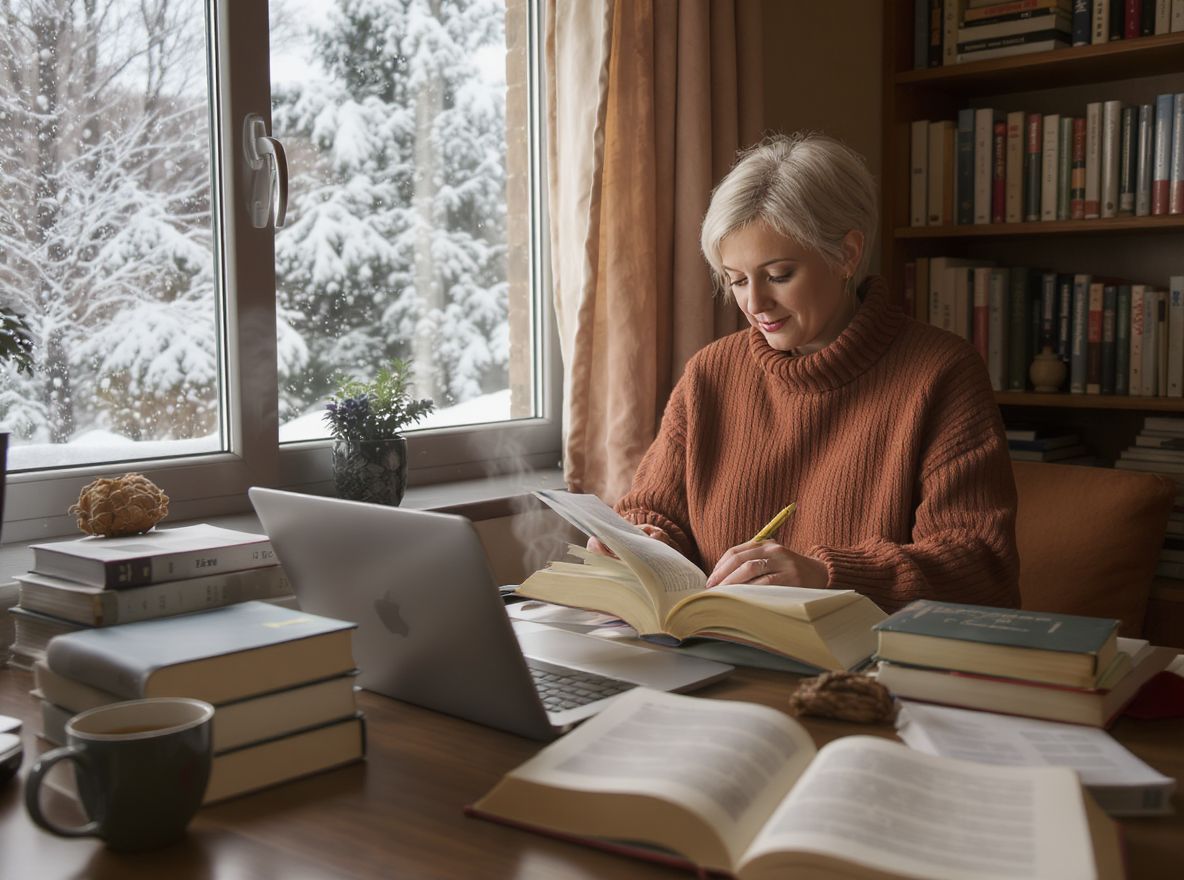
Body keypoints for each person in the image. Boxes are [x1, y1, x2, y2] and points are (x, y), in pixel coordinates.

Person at [605, 132, 1019, 613]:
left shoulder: (940, 372)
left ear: (847, 254)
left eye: (779, 275)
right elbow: (656, 510)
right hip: (723, 651)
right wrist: (641, 541)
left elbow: (980, 563)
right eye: (736, 281)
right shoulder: (710, 374)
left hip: (867, 671)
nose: (755, 304)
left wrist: (826, 575)